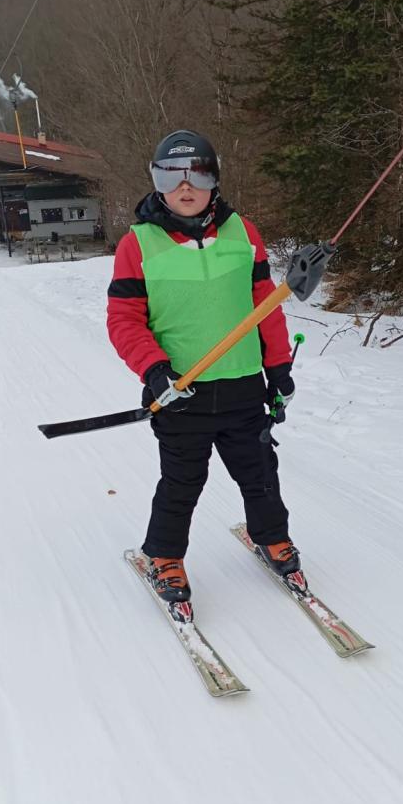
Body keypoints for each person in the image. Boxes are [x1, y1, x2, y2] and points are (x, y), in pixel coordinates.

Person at [107, 130, 299, 607]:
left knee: (260, 472)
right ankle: (164, 555)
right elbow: (124, 320)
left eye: (197, 174)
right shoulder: (138, 244)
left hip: (243, 388)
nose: (185, 186)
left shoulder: (243, 233)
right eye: (171, 176)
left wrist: (277, 367)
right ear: (157, 182)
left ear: (214, 179)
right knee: (182, 481)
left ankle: (271, 536)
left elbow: (267, 306)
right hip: (180, 395)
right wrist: (154, 371)